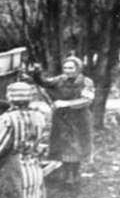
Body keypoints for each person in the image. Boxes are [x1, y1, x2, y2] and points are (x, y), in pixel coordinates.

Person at [31, 56, 94, 188]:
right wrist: (37, 73)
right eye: (65, 67)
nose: (67, 70)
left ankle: (74, 176)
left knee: (76, 146)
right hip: (62, 119)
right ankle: (66, 177)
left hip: (79, 119)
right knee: (64, 146)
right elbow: (45, 83)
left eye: (71, 68)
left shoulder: (86, 82)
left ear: (78, 68)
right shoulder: (60, 79)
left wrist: (66, 103)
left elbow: (86, 100)